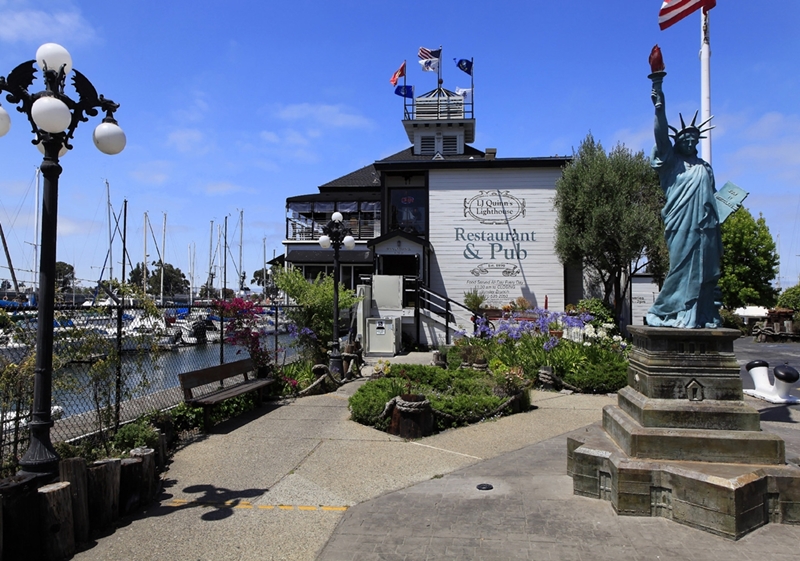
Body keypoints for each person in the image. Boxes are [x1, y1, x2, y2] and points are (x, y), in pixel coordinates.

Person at [645, 74, 721, 329]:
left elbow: (713, 198)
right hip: (679, 225)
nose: (689, 141)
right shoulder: (671, 163)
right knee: (679, 267)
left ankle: (700, 314)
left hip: (705, 229)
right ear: (678, 141)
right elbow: (660, 135)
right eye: (684, 138)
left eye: (693, 138)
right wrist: (659, 101)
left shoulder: (705, 167)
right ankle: (665, 311)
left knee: (703, 269)